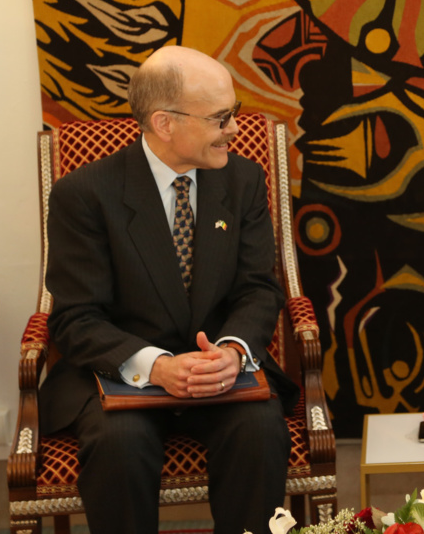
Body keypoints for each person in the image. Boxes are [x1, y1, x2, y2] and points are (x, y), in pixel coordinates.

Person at [39, 45, 298, 534]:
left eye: (234, 114)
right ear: (164, 124)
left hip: (218, 374)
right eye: (221, 118)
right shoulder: (84, 195)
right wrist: (155, 366)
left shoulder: (242, 181)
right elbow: (76, 318)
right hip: (119, 376)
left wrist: (233, 350)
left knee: (260, 430)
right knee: (119, 444)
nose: (235, 130)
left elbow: (258, 289)